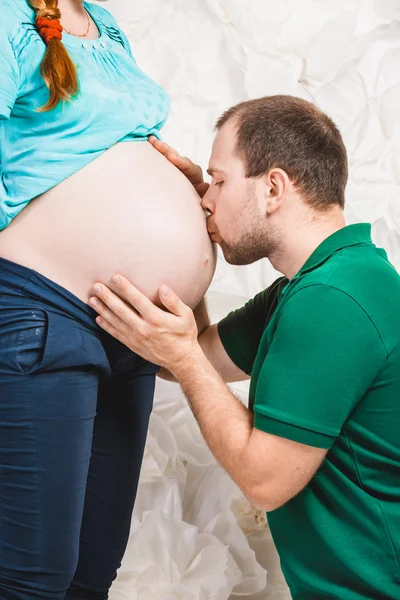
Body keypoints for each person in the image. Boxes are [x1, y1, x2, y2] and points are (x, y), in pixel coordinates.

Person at [91, 95, 400, 600]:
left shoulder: (333, 301)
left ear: (274, 187)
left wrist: (185, 357)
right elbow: (196, 354)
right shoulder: (316, 285)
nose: (207, 198)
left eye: (219, 180)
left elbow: (264, 480)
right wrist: (188, 230)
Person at [0, 0, 216, 598]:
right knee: (32, 578)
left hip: (132, 332)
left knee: (93, 571)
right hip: (42, 305)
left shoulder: (103, 21)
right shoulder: (7, 15)